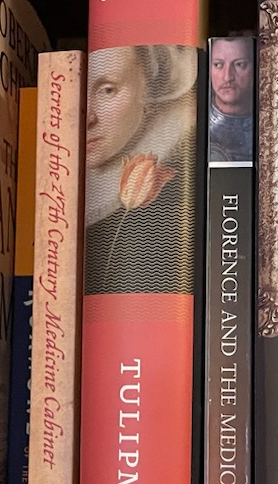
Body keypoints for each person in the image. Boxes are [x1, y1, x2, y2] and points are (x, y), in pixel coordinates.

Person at [84, 44, 198, 293]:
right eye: (77, 91)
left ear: (147, 87)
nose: (88, 117)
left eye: (107, 90)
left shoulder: (176, 199)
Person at [207, 37, 254, 162]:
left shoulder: (272, 127)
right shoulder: (191, 124)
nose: (227, 77)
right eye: (218, 65)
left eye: (240, 64)